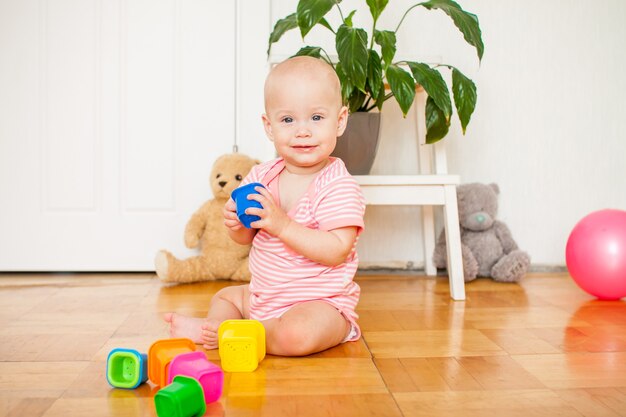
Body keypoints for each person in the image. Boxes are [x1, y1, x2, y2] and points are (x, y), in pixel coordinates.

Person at [164, 56, 366, 356]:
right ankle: (223, 328)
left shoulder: (338, 184)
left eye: (316, 118)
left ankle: (231, 334)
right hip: (263, 298)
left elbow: (337, 249)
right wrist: (236, 226)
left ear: (340, 121)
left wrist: (282, 224)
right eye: (287, 120)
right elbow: (248, 237)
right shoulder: (261, 176)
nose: (302, 131)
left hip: (319, 303)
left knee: (298, 335)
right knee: (226, 297)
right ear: (269, 126)